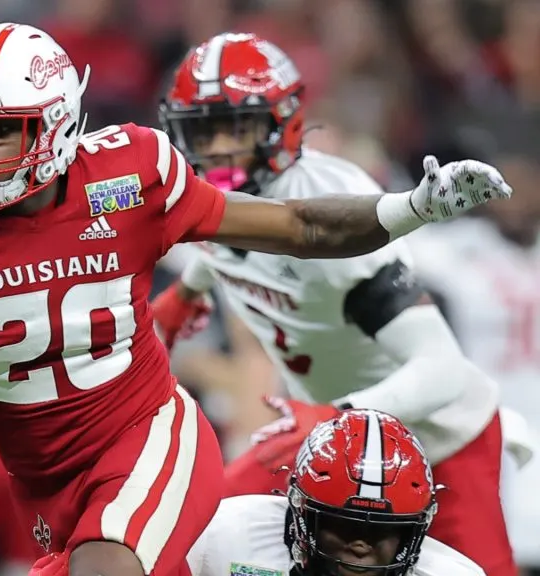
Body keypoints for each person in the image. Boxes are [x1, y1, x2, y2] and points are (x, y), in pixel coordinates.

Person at [0, 23, 511, 576]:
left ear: (55, 123)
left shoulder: (131, 175)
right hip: (42, 481)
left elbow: (296, 225)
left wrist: (410, 206)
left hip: (144, 437)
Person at [149, 33, 516, 576]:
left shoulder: (322, 200)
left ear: (283, 124)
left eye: (238, 127)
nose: (221, 147)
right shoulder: (205, 194)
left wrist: (335, 414)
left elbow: (445, 370)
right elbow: (237, 244)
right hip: (322, 441)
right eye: (206, 130)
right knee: (190, 536)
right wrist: (191, 289)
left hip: (437, 443)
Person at [31, 409, 485, 576]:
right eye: (341, 524)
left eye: (383, 531)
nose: (360, 543)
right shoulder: (227, 533)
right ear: (300, 513)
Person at [407, 151, 540, 574]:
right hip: (486, 408)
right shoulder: (460, 245)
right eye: (508, 191)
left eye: (527, 190)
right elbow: (384, 240)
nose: (516, 202)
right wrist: (419, 204)